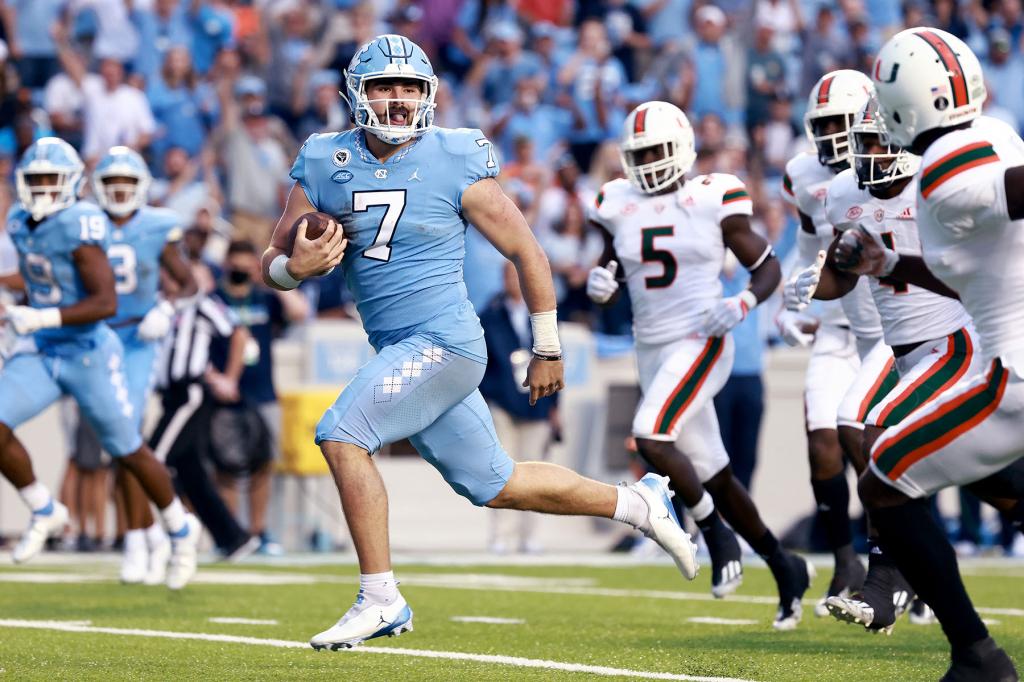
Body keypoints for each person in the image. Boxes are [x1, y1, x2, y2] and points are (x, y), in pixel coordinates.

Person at [261, 34, 699, 650]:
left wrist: (547, 346)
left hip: (445, 339)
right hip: (399, 346)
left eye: (408, 88)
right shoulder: (323, 158)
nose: (396, 101)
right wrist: (295, 270)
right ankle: (637, 503)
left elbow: (526, 250)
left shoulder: (454, 156)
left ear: (428, 95)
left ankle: (381, 598)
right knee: (494, 483)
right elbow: (273, 259)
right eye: (384, 86)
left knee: (341, 434)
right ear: (358, 93)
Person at [835, 27, 1024, 679]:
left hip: (1013, 372)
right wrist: (891, 263)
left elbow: (1002, 195)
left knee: (886, 472)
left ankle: (977, 657)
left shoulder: (941, 167)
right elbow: (974, 266)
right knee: (941, 460)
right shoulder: (992, 132)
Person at [586, 100, 812, 629]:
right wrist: (603, 282)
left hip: (702, 338)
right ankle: (786, 567)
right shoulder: (615, 201)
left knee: (649, 435)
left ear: (684, 149)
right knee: (715, 470)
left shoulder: (713, 196)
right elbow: (614, 261)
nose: (651, 163)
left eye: (660, 151)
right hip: (652, 348)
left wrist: (743, 303)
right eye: (640, 154)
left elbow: (767, 264)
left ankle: (713, 534)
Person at [789, 99, 980, 634]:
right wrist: (816, 283)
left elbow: (974, 270)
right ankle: (901, 568)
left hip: (955, 339)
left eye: (879, 141)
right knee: (868, 432)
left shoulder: (935, 187)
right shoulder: (845, 193)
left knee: (864, 425)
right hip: (899, 349)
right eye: (863, 141)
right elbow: (841, 274)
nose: (868, 153)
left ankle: (891, 571)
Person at [0, 137, 200, 589]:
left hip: (92, 346)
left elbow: (104, 301)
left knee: (126, 445)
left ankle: (178, 528)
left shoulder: (84, 222)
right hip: (45, 346)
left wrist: (165, 310)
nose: (44, 188)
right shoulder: (19, 220)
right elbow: (40, 278)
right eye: (36, 180)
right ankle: (45, 509)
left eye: (52, 179)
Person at [776, 70, 880, 617]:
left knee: (874, 446)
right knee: (822, 445)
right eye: (824, 125)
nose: (832, 134)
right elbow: (807, 246)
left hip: (888, 329)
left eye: (843, 121)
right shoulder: (804, 174)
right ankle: (846, 560)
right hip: (839, 326)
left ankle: (898, 561)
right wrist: (789, 304)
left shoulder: (890, 160)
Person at [91, 146, 198, 583]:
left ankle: (140, 538)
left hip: (136, 338)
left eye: (127, 184)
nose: (119, 192)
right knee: (116, 445)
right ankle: (150, 533)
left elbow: (189, 283)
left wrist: (166, 309)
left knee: (126, 435)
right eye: (112, 184)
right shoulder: (84, 225)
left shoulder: (157, 226)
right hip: (93, 337)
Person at [212, 239, 309, 555]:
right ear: (226, 265)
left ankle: (258, 531)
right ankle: (230, 532)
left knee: (262, 465)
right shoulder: (215, 301)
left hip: (264, 393)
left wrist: (274, 276)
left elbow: (300, 312)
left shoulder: (265, 299)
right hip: (227, 397)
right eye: (235, 264)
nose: (239, 270)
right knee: (226, 467)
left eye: (246, 264)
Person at [479, 262, 558, 554]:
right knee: (502, 471)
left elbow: (554, 359)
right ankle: (501, 535)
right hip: (503, 402)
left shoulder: (542, 316)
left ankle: (530, 535)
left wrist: (554, 404)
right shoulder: (490, 315)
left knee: (535, 471)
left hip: (537, 402)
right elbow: (483, 364)